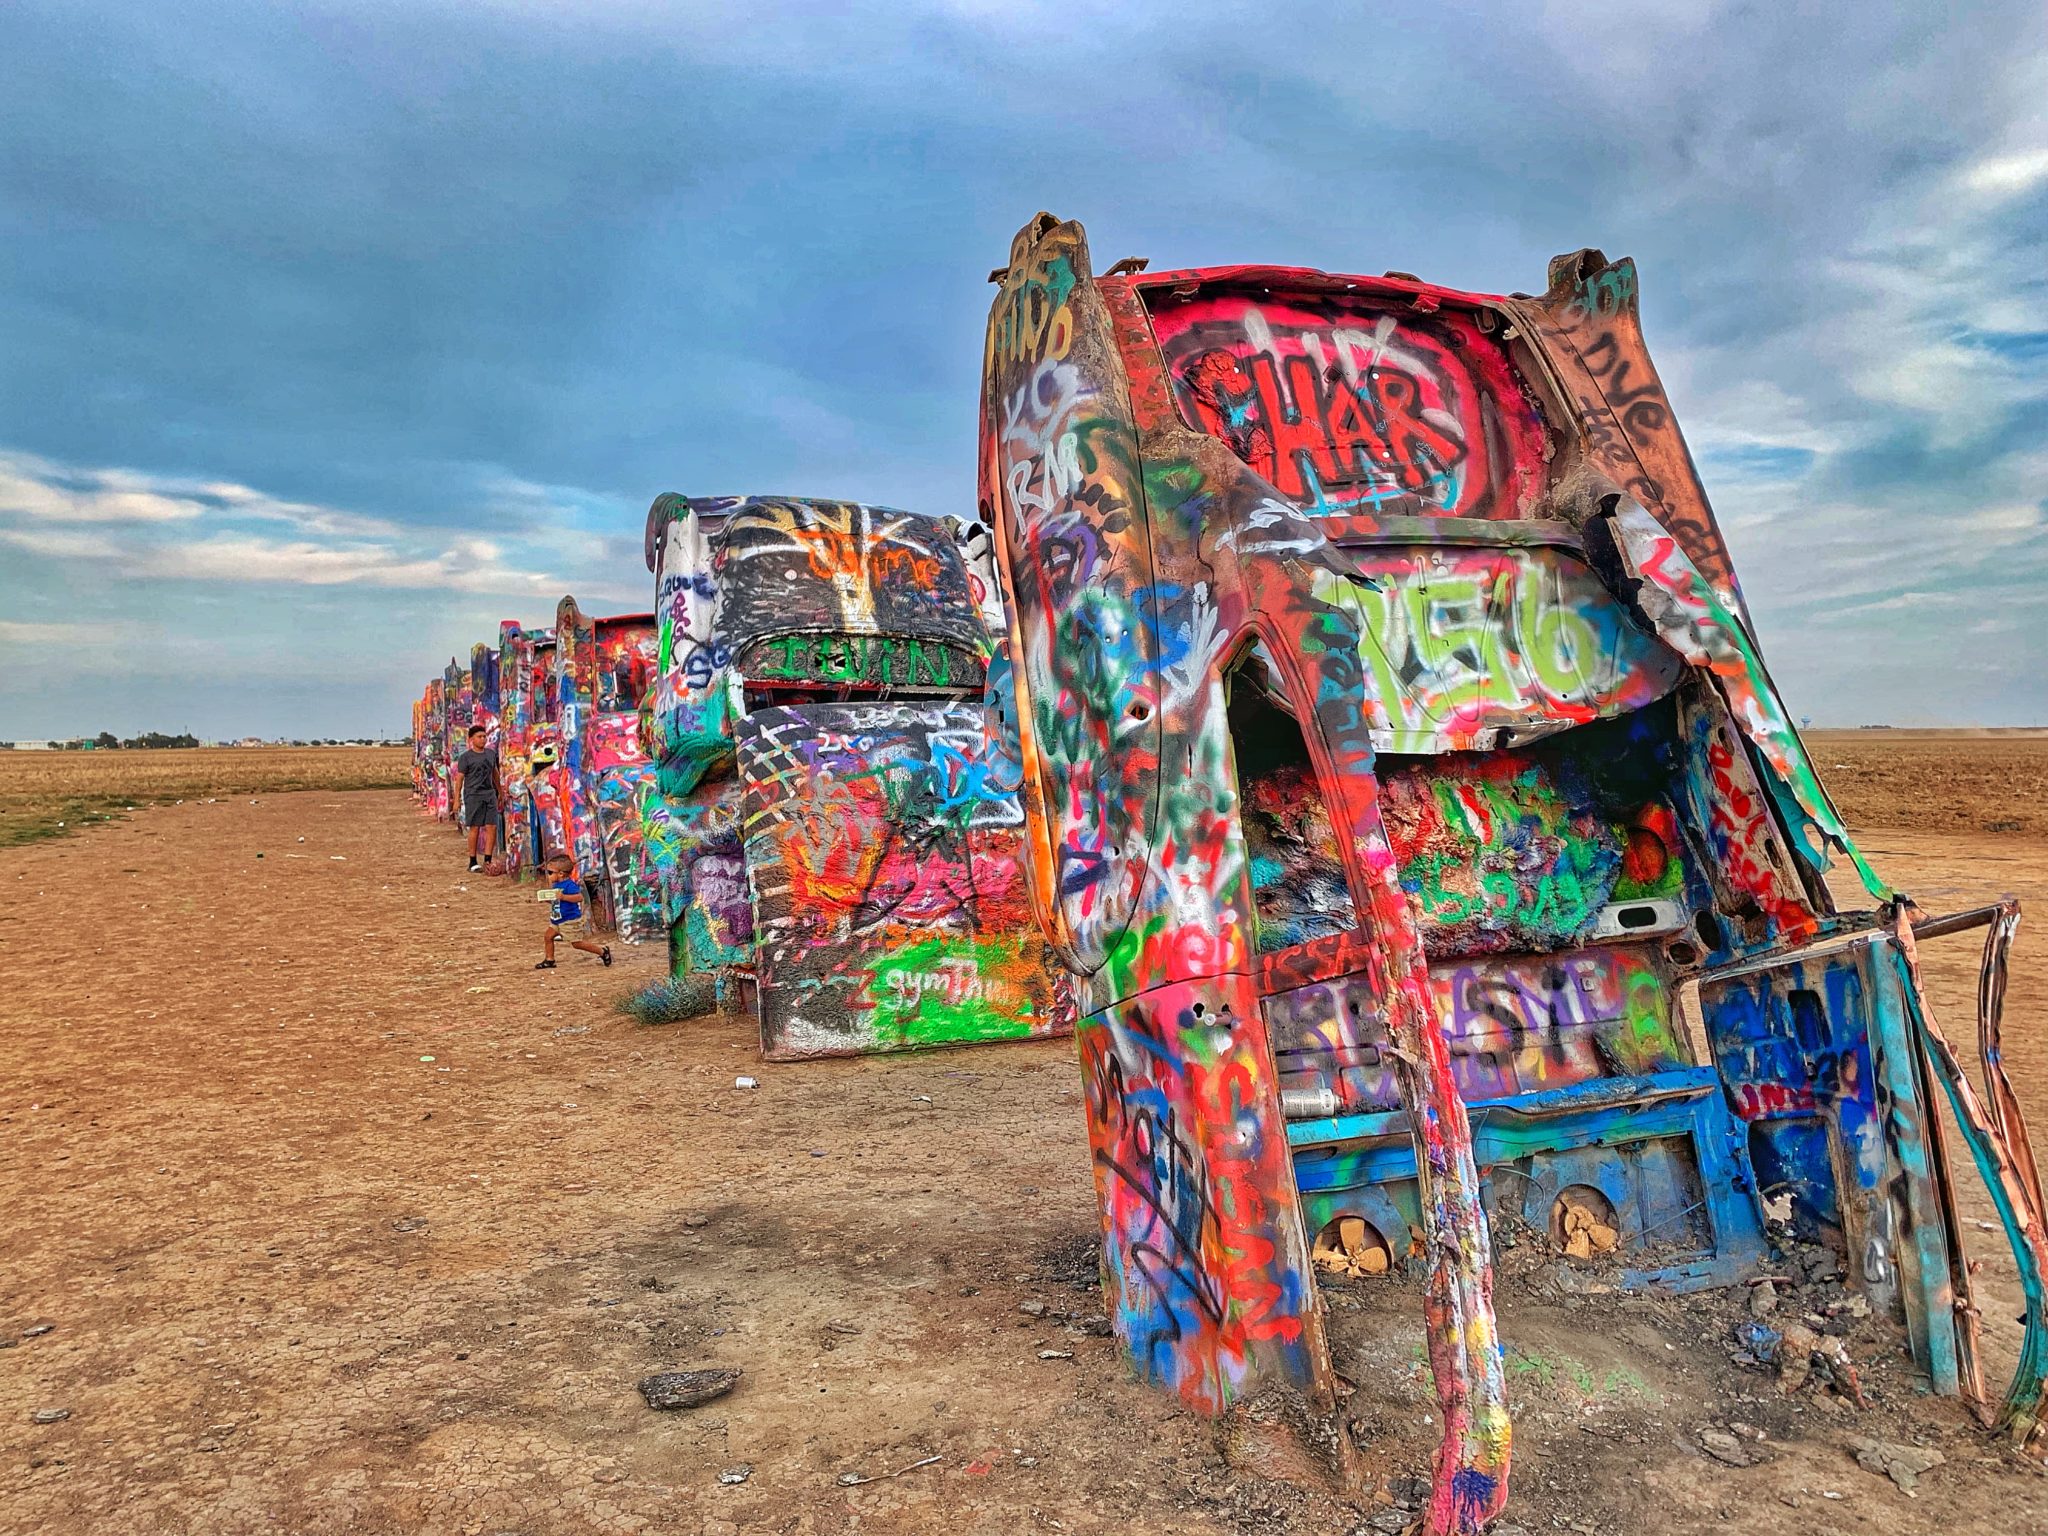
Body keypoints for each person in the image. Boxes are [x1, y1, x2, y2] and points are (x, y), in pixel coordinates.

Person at [536, 854, 611, 969]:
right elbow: (557, 901)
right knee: (548, 936)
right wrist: (547, 900)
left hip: (569, 920)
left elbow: (579, 898)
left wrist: (564, 897)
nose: (548, 876)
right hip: (557, 919)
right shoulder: (557, 885)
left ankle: (602, 951)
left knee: (577, 943)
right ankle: (549, 959)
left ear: (560, 874)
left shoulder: (569, 885)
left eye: (550, 872)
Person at [451, 724, 500, 873]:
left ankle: (487, 860)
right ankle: (472, 861)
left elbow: (495, 773)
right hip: (473, 794)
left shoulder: (491, 754)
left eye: (484, 736)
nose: (483, 739)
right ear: (471, 739)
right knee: (475, 827)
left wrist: (500, 791)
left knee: (492, 826)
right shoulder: (465, 758)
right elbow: (459, 780)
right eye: (479, 737)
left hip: (489, 793)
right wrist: (457, 799)